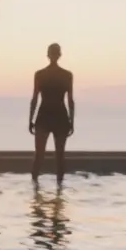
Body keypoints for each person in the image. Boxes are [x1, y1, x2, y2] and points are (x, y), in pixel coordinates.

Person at [29, 43, 75, 183]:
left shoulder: (40, 74)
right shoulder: (66, 75)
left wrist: (30, 119)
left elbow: (35, 99)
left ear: (48, 55)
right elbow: (70, 101)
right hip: (60, 116)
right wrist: (71, 121)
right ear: (59, 55)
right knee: (60, 156)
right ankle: (59, 191)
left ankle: (35, 188)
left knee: (39, 156)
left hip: (44, 116)